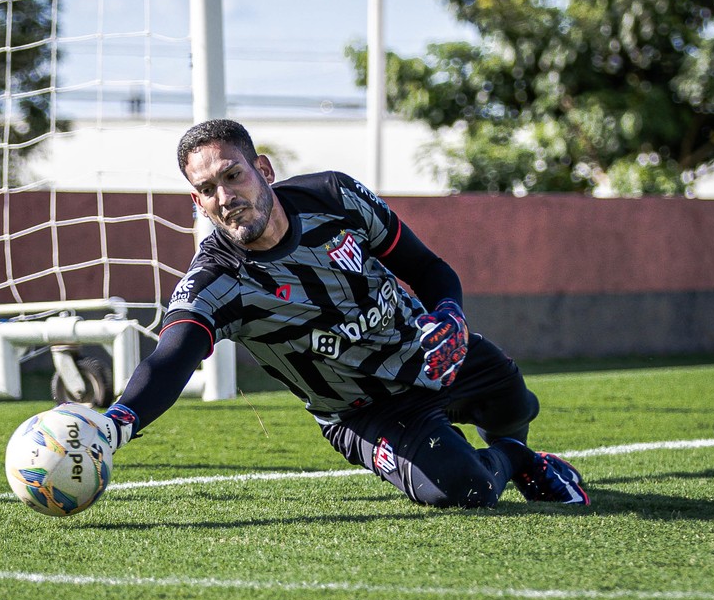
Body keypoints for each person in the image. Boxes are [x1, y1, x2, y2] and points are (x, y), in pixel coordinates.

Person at [101, 118, 589, 508]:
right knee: (463, 489)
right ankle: (518, 460)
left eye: (234, 175)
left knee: (515, 401)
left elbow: (426, 266)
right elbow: (171, 359)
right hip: (363, 412)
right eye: (208, 189)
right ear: (198, 202)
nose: (225, 197)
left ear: (263, 171)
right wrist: (116, 423)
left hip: (424, 354)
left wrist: (449, 315)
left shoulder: (333, 196)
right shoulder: (216, 281)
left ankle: (508, 441)